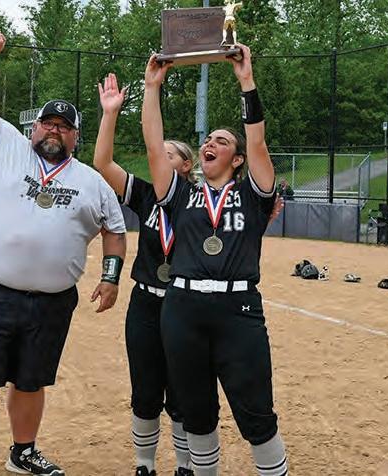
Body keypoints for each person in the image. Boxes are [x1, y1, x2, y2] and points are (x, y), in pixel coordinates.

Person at [0, 30, 127, 476]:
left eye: (64, 126)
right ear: (34, 128)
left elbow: (114, 231)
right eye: (48, 123)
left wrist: (111, 276)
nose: (54, 130)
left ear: (75, 137)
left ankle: (23, 451)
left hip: (51, 301)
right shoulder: (4, 145)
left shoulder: (91, 181)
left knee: (31, 380)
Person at [142, 45, 288, 476]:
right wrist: (151, 87)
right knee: (196, 412)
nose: (209, 143)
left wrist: (246, 80)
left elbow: (257, 140)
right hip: (182, 308)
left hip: (237, 309)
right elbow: (154, 148)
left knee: (257, 413)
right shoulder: (182, 194)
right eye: (208, 140)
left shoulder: (252, 194)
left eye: (221, 142)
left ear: (237, 159)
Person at [93, 73, 194, 476]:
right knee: (146, 390)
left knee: (183, 393)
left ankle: (185, 466)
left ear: (186, 165)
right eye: (159, 153)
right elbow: (103, 164)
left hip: (186, 304)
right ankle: (144, 465)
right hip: (146, 303)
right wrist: (110, 114)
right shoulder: (147, 194)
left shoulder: (201, 200)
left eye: (169, 155)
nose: (159, 159)